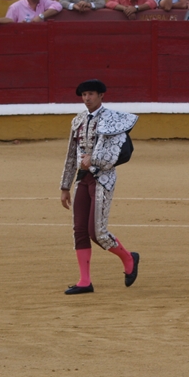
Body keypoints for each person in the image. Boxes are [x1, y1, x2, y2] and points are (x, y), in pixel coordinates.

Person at [59, 80, 140, 295]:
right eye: (84, 94)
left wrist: (93, 160)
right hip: (82, 178)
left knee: (98, 232)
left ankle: (129, 257)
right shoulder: (77, 121)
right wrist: (65, 186)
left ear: (101, 95)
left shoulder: (113, 120)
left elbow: (115, 156)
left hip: (102, 178)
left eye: (91, 94)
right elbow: (70, 155)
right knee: (79, 230)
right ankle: (85, 281)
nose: (87, 98)